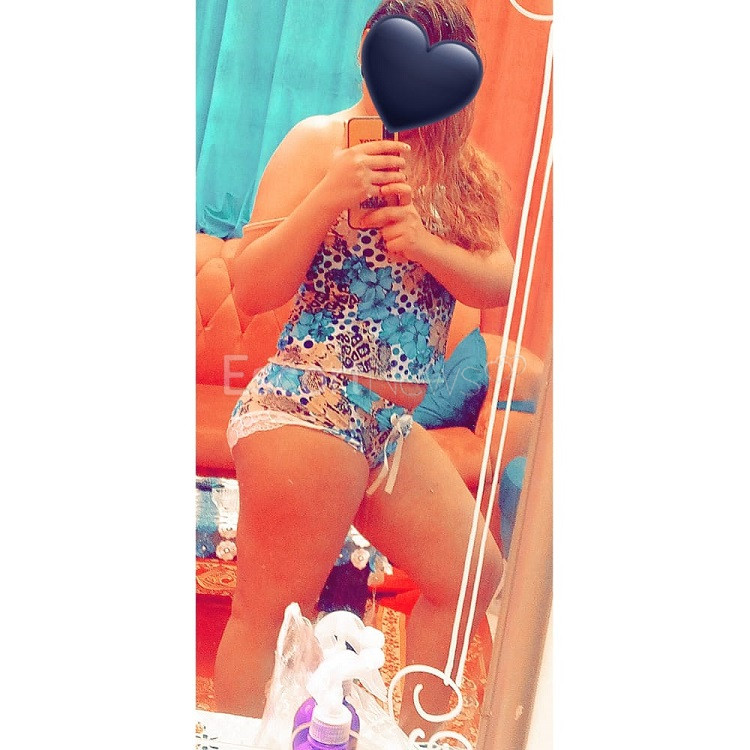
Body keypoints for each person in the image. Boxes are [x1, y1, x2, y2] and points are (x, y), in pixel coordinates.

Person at [213, 0, 515, 735]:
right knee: (272, 616)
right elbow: (251, 288)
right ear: (366, 52)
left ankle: (417, 735)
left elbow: (499, 280)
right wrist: (328, 196)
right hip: (309, 404)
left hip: (389, 427)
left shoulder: (461, 172)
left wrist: (423, 244)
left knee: (471, 576)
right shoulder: (319, 143)